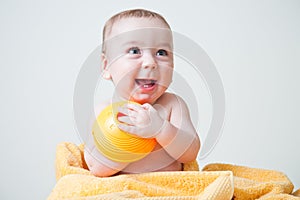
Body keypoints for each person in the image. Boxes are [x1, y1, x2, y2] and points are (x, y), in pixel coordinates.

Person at [84, 8, 200, 177]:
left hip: (169, 191)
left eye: (161, 53)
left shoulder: (173, 106)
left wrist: (160, 129)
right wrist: (126, 141)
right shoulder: (102, 111)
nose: (150, 62)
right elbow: (95, 167)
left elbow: (191, 153)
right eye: (134, 51)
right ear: (106, 65)